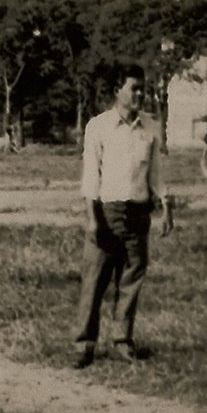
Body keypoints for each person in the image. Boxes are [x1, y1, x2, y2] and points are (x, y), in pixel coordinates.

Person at [73, 66, 161, 369]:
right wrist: (92, 218)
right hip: (106, 211)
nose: (140, 94)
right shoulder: (98, 126)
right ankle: (85, 344)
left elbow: (156, 173)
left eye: (143, 88)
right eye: (134, 88)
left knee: (131, 278)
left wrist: (165, 208)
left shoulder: (151, 127)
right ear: (117, 90)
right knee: (94, 279)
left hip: (138, 212)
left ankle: (123, 340)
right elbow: (90, 176)